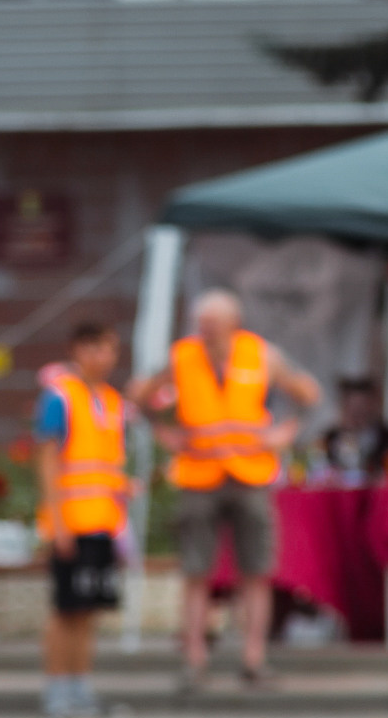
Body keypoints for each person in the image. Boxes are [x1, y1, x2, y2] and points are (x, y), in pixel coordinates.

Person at [129, 290, 321, 691]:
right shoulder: (183, 356)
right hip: (199, 474)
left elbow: (307, 393)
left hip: (250, 471)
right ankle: (194, 659)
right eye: (202, 324)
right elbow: (141, 395)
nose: (207, 331)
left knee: (256, 572)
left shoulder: (259, 353)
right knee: (196, 572)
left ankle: (254, 658)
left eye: (213, 324)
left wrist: (283, 433)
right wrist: (167, 433)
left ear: (233, 322)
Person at [34, 321, 135, 718]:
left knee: (89, 608)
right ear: (77, 350)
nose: (104, 358)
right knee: (65, 609)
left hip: (103, 521)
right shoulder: (60, 397)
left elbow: (107, 463)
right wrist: (57, 523)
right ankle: (57, 690)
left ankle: (81, 687)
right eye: (95, 349)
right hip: (71, 522)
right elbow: (47, 461)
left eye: (109, 349)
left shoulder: (112, 401)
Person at [321, 377, 388, 482]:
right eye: (352, 409)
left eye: (362, 409)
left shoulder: (387, 438)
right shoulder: (330, 438)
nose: (357, 415)